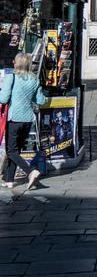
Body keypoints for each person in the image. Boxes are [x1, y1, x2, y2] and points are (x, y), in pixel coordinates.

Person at [1, 53, 46, 189]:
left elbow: (3, 99)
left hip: (14, 118)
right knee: (16, 150)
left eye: (15, 61)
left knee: (11, 151)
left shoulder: (11, 77)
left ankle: (31, 171)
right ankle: (9, 180)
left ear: (17, 63)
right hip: (27, 119)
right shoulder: (34, 80)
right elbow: (40, 101)